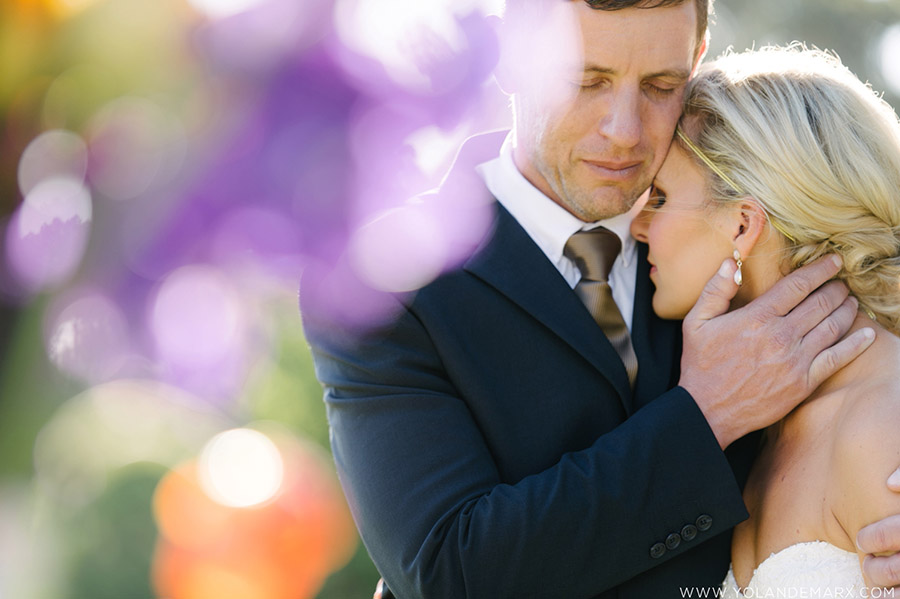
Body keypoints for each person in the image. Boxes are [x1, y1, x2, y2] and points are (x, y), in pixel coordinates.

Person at [301, 2, 900, 597]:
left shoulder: (722, 240)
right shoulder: (382, 284)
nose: (625, 131)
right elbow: (450, 574)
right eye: (586, 81)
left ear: (694, 62)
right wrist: (706, 414)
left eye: (662, 86)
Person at [630, 44, 900, 596]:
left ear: (743, 225)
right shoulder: (765, 429)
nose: (637, 227)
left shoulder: (881, 423)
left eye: (659, 196)